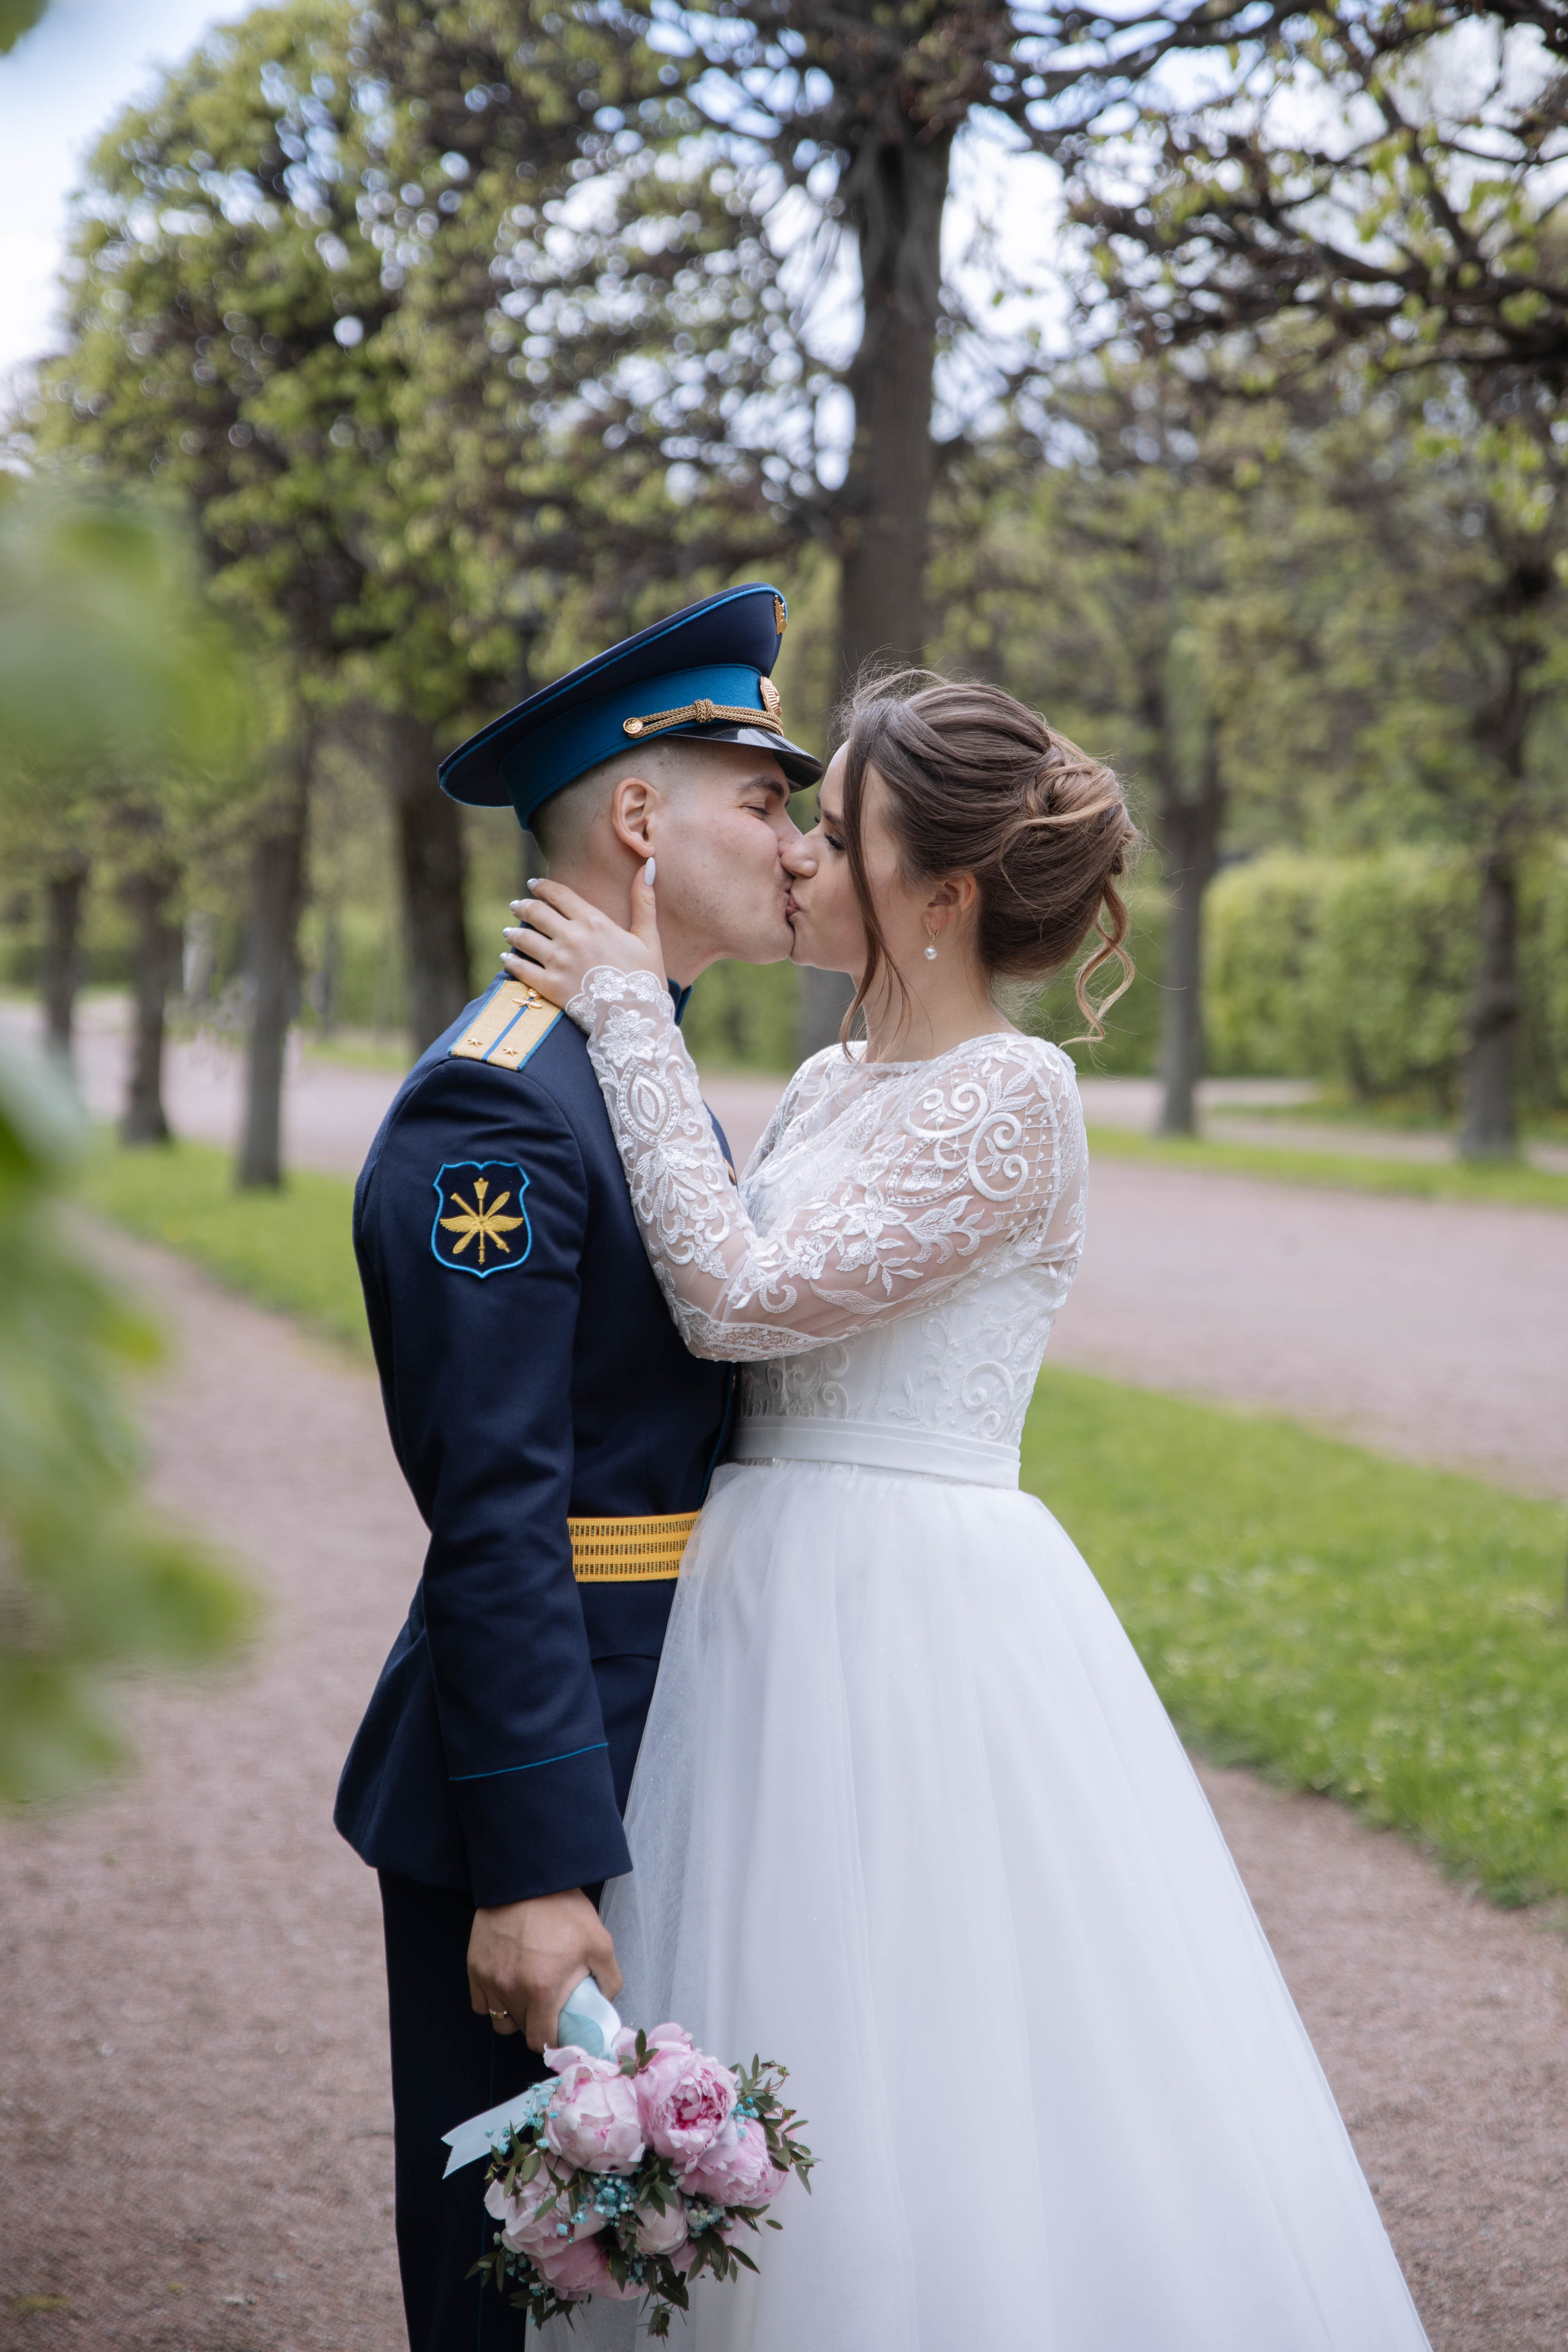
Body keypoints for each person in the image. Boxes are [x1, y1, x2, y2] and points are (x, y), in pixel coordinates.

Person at [500, 674, 1433, 2351]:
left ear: (938, 894)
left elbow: (737, 1296)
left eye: (834, 830)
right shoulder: (826, 1082)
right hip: (752, 1609)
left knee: (935, 2039)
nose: (792, 856)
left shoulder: (1019, 1102)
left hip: (920, 1618)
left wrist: (634, 1017)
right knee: (758, 2000)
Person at [333, 583, 821, 2352]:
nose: (797, 843)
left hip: (674, 1724)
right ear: (640, 819)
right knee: (520, 2292)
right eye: (765, 800)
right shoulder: (500, 1108)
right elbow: (501, 1514)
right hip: (549, 1759)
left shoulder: (628, 1064)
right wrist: (533, 1866)